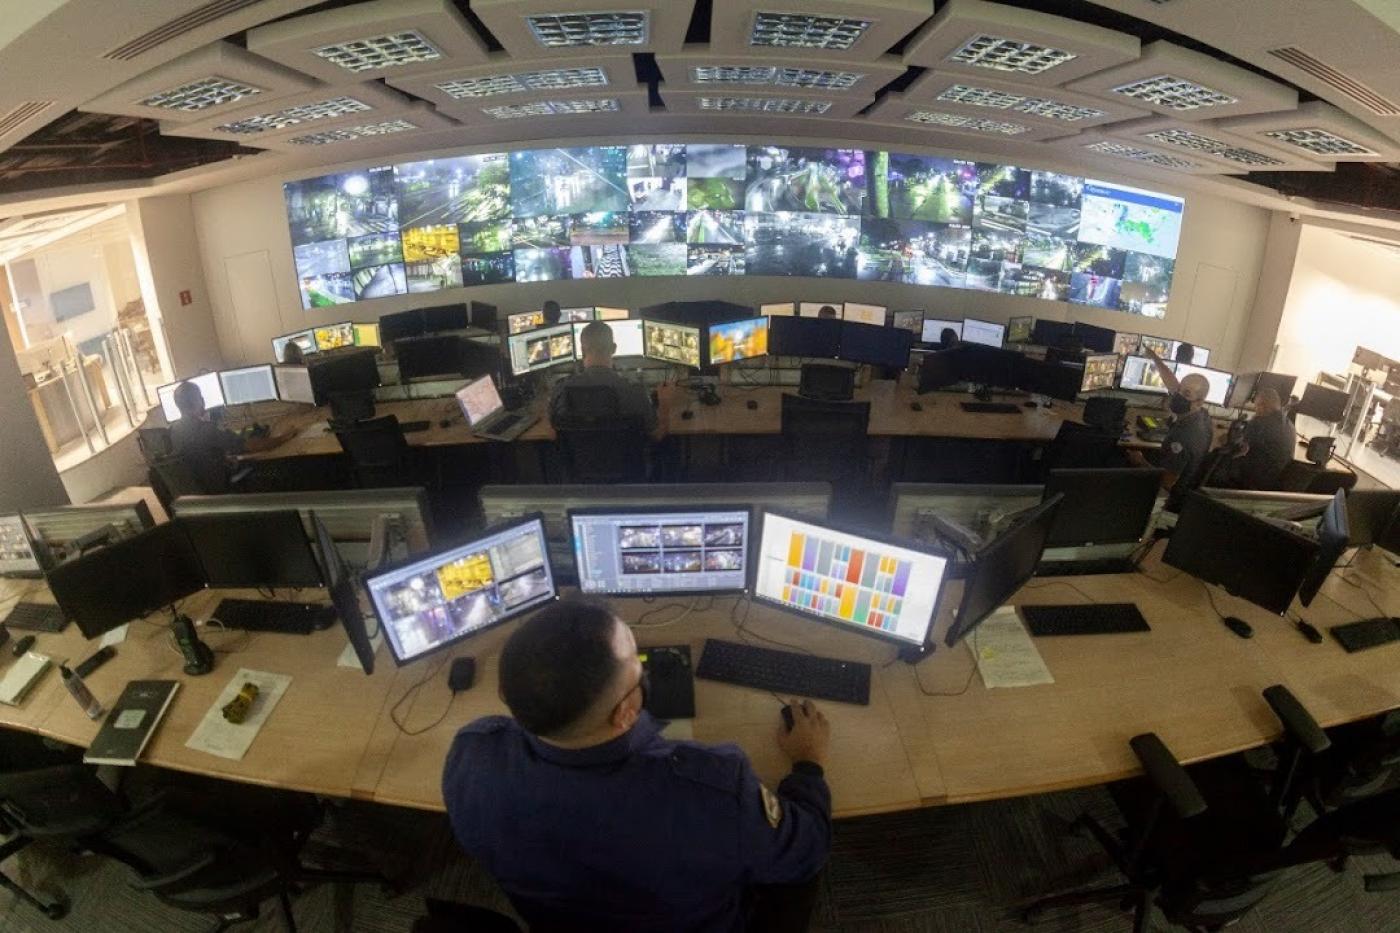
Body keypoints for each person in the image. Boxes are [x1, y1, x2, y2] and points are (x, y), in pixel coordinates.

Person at [442, 600, 832, 932]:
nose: (643, 671)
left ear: (505, 694)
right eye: (636, 664)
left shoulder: (471, 756)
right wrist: (808, 763)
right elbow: (807, 848)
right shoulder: (714, 791)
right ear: (627, 712)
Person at [550, 321, 676, 441]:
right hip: (626, 462)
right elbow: (657, 434)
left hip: (577, 462)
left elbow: (553, 430)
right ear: (614, 349)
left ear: (582, 351)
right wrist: (665, 403)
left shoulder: (561, 390)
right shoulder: (635, 392)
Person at [168, 380, 289, 491]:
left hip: (201, 489)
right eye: (200, 397)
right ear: (198, 401)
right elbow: (251, 446)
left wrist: (222, 459)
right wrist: (283, 438)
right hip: (222, 488)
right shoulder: (207, 429)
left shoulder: (174, 430)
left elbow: (198, 455)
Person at [1126, 372, 1214, 505]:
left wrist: (1140, 461)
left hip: (1168, 497)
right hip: (1184, 484)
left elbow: (1166, 482)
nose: (1178, 396)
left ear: (1199, 402)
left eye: (1186, 394)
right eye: (1179, 390)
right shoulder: (1203, 417)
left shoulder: (1183, 437)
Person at [1213, 388, 1295, 490]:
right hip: (1273, 480)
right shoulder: (1289, 424)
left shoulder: (1259, 422)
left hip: (1253, 480)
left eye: (1256, 406)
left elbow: (1238, 448)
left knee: (1213, 459)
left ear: (1263, 406)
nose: (1256, 410)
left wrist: (1226, 440)